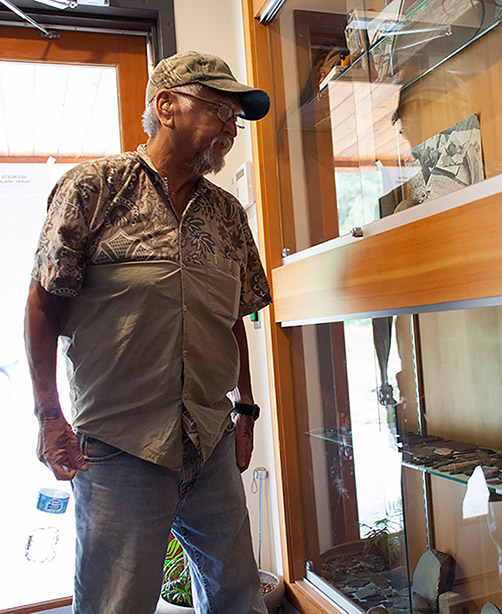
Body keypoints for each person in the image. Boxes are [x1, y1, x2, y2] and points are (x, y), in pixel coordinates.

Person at [24, 51, 272, 614]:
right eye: (219, 109)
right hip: (117, 450)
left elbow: (234, 317)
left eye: (237, 115)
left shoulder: (228, 213)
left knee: (238, 597)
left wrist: (247, 411)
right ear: (166, 106)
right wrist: (48, 416)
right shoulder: (94, 188)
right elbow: (42, 305)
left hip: (208, 441)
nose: (232, 125)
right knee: (117, 605)